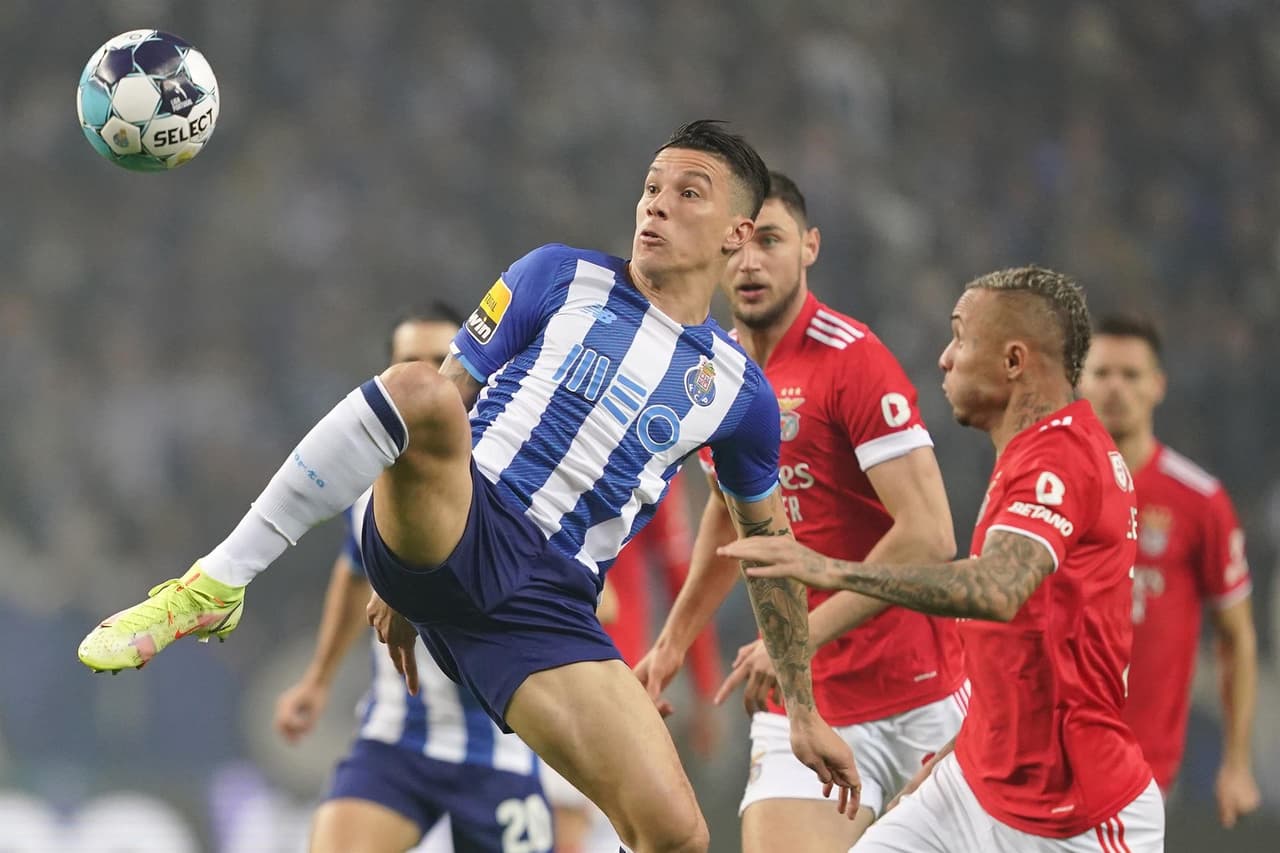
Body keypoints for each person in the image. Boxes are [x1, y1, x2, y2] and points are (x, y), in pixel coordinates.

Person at [77, 120, 859, 852]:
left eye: (688, 192)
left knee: (679, 834)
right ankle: (215, 582)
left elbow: (768, 549)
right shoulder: (560, 273)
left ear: (737, 235)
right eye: (652, 185)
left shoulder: (739, 394)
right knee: (419, 388)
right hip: (468, 517)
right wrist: (413, 548)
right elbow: (446, 399)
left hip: (549, 606)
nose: (656, 202)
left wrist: (803, 707)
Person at [730, 267, 1165, 851]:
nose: (944, 358)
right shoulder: (1039, 448)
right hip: (973, 784)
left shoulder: (1059, 459)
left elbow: (996, 590)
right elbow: (1031, 640)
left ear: (1013, 361)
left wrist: (828, 569)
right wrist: (964, 746)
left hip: (1074, 815)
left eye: (960, 337)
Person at [635, 172, 964, 851]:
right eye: (740, 245)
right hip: (802, 700)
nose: (751, 261)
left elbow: (930, 536)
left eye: (772, 241)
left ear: (809, 247)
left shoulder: (854, 360)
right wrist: (670, 644)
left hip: (919, 697)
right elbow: (730, 519)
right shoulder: (713, 372)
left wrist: (798, 638)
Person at [273, 306, 553, 853]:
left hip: (498, 749)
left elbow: (597, 604)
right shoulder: (370, 492)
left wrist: (428, 588)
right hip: (397, 741)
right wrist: (318, 680)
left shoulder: (514, 483)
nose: (429, 379)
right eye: (410, 364)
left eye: (440, 361)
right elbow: (355, 577)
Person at [1079, 314, 1260, 827]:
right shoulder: (1048, 487)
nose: (1116, 388)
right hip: (1046, 756)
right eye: (1103, 373)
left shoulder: (1200, 501)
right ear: (1079, 381)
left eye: (1131, 375)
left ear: (1158, 386)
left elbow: (1237, 637)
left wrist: (1238, 763)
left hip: (1143, 768)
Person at [545, 473, 723, 853]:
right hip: (590, 670)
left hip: (562, 667)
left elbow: (680, 575)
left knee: (591, 829)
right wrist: (705, 690)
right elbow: (680, 575)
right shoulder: (651, 452)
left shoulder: (653, 461)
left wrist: (706, 690)